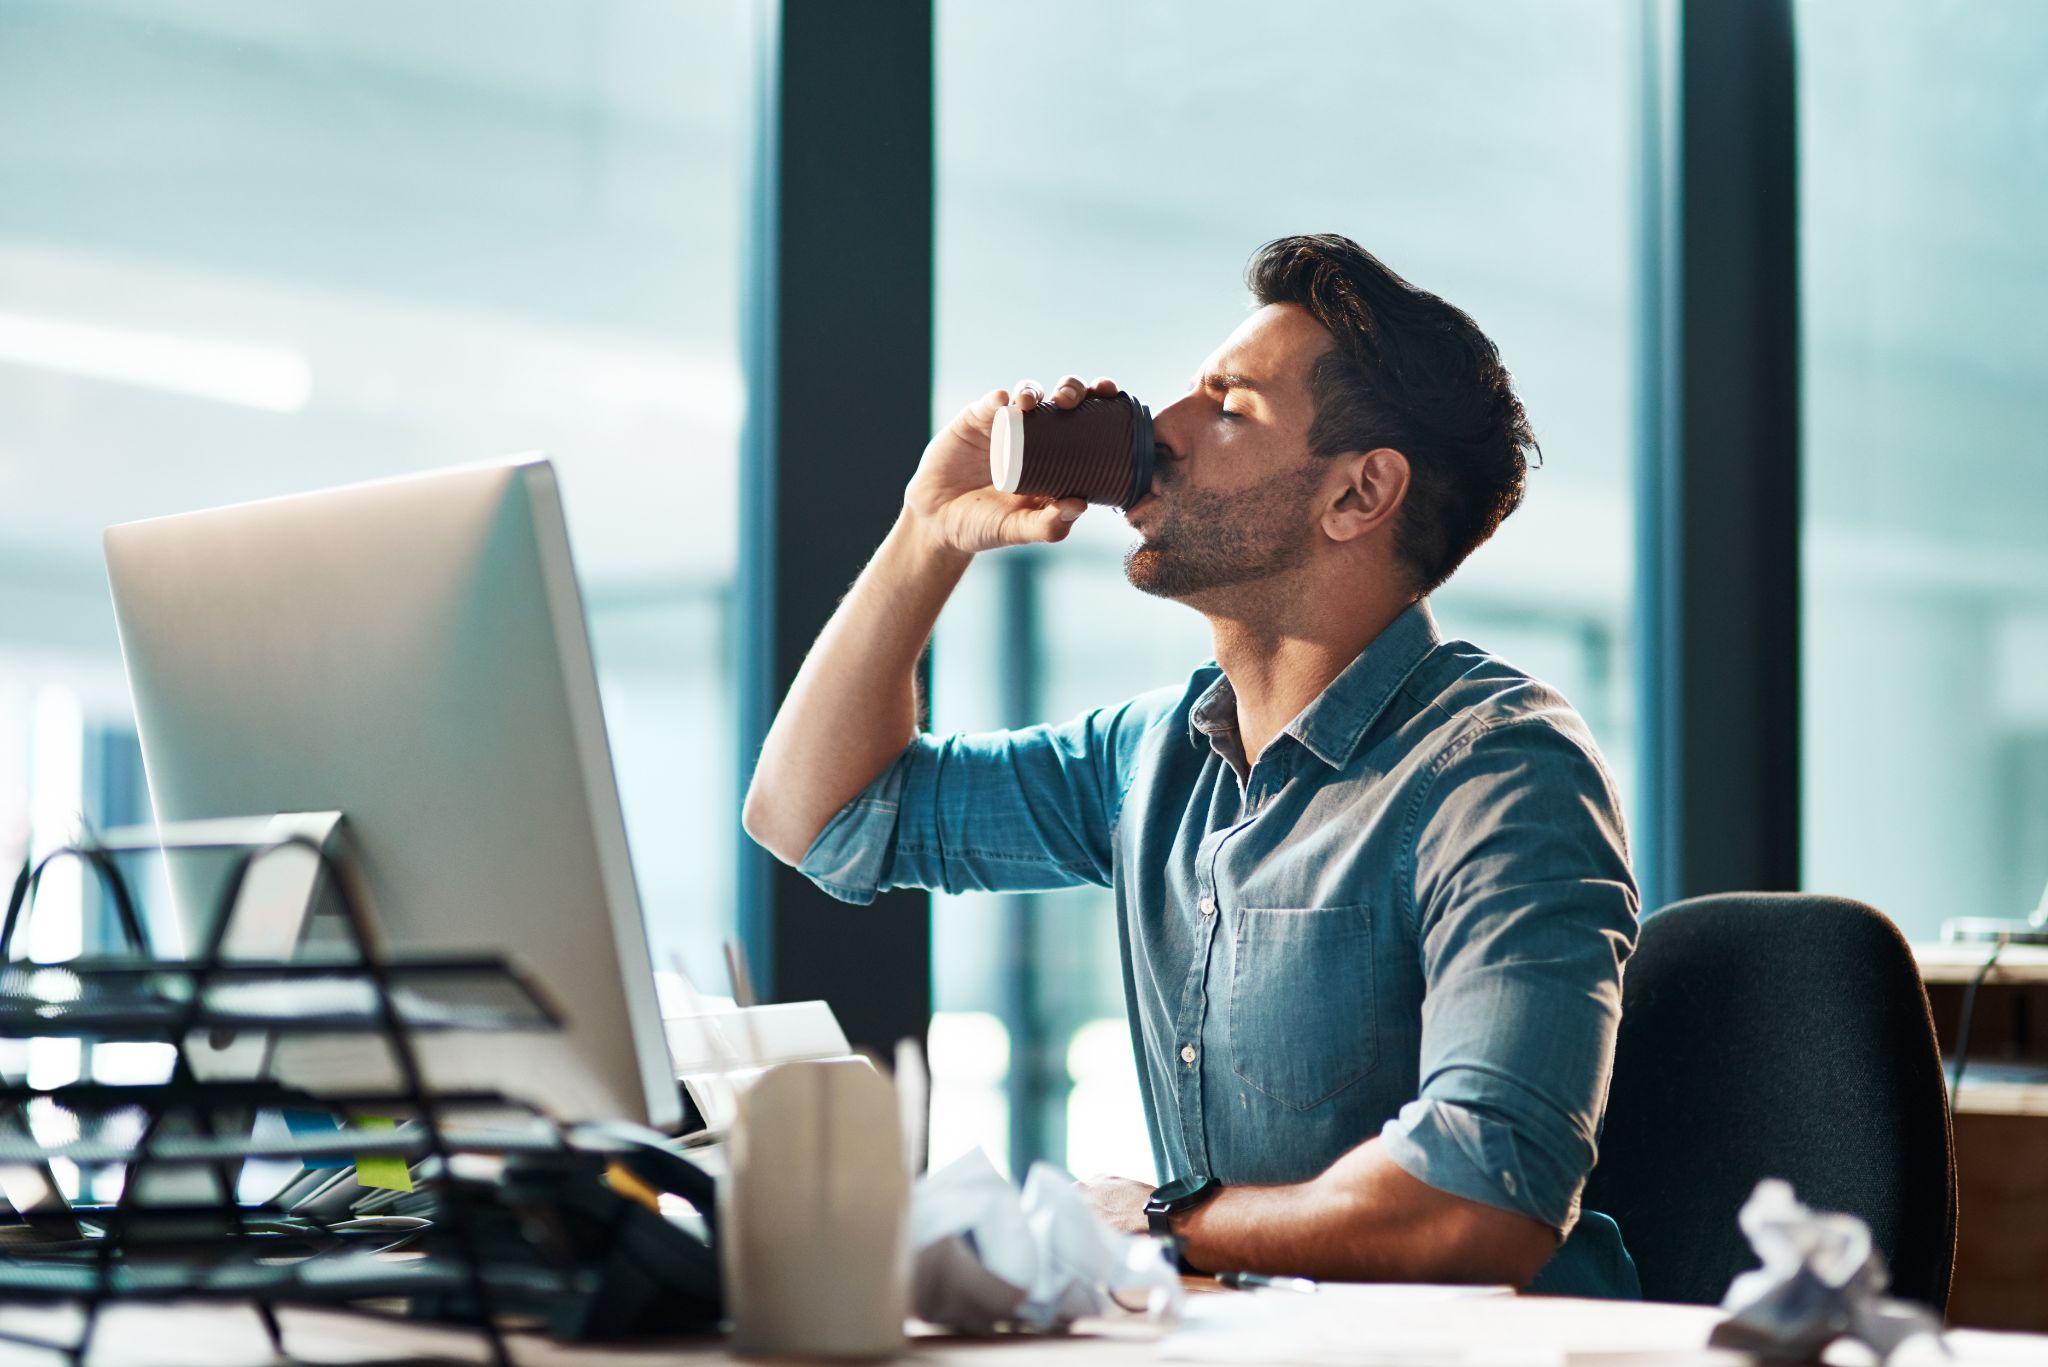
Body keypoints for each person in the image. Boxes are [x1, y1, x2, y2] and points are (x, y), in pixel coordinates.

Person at [742, 233, 1639, 1297]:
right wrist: (924, 533)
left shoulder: (1499, 776)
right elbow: (820, 816)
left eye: (1225, 406)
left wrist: (1169, 1218)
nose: (1159, 430)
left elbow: (1478, 1204)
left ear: (1357, 495)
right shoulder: (1154, 756)